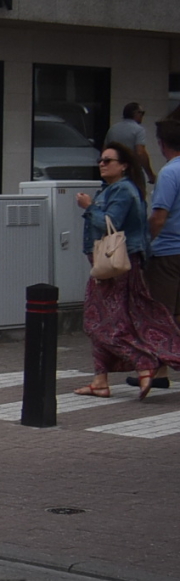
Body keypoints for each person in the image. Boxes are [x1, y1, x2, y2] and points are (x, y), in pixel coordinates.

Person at [73, 142, 180, 400]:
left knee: (99, 323)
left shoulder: (122, 190)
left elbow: (111, 223)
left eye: (108, 160)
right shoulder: (113, 188)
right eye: (101, 160)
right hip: (109, 266)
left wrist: (89, 207)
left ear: (124, 166)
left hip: (116, 267)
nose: (102, 164)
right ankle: (100, 380)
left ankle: (144, 362)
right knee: (104, 320)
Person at [150, 119, 180, 321]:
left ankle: (163, 352)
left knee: (161, 315)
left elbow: (158, 218)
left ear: (161, 143)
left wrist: (145, 243)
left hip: (167, 253)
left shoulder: (169, 173)